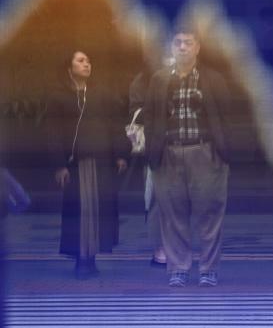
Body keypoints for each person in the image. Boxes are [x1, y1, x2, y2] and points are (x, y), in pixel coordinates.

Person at [144, 31, 233, 287]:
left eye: (188, 43)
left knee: (210, 212)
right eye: (177, 43)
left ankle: (208, 268)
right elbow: (150, 119)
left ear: (198, 48)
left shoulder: (213, 79)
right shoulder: (159, 80)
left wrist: (224, 152)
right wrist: (153, 151)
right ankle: (179, 268)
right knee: (172, 213)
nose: (182, 48)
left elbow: (228, 117)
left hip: (205, 151)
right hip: (169, 151)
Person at [46, 50, 129, 279]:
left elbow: (115, 126)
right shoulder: (58, 97)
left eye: (88, 61)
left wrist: (121, 154)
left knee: (97, 212)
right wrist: (59, 165)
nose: (86, 64)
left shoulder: (102, 95)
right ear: (69, 67)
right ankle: (81, 259)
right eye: (80, 61)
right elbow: (53, 133)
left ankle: (91, 257)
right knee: (81, 213)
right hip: (76, 165)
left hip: (101, 163)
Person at [128, 65, 166, 267]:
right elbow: (136, 114)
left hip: (182, 148)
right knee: (155, 199)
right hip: (155, 149)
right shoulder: (142, 80)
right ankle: (159, 248)